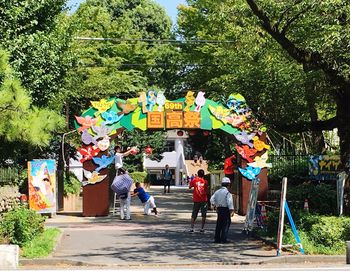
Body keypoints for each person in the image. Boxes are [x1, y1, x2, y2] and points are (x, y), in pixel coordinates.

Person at [210, 177, 234, 244]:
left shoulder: (217, 192)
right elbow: (229, 202)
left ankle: (217, 239)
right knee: (226, 224)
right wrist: (231, 210)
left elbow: (212, 199)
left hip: (219, 209)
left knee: (219, 224)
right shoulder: (227, 193)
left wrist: (215, 205)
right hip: (225, 209)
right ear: (228, 184)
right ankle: (224, 239)